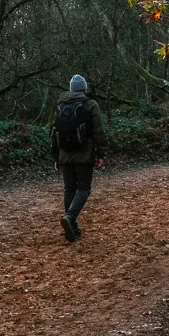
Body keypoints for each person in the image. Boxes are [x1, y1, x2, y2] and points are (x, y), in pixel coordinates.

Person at [51, 74, 108, 242]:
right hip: (84, 153)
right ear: (84, 88)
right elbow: (98, 130)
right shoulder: (90, 104)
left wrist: (56, 157)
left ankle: (72, 227)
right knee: (84, 189)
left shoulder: (60, 105)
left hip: (64, 154)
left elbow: (54, 133)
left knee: (69, 189)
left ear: (70, 89)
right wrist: (101, 153)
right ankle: (70, 217)